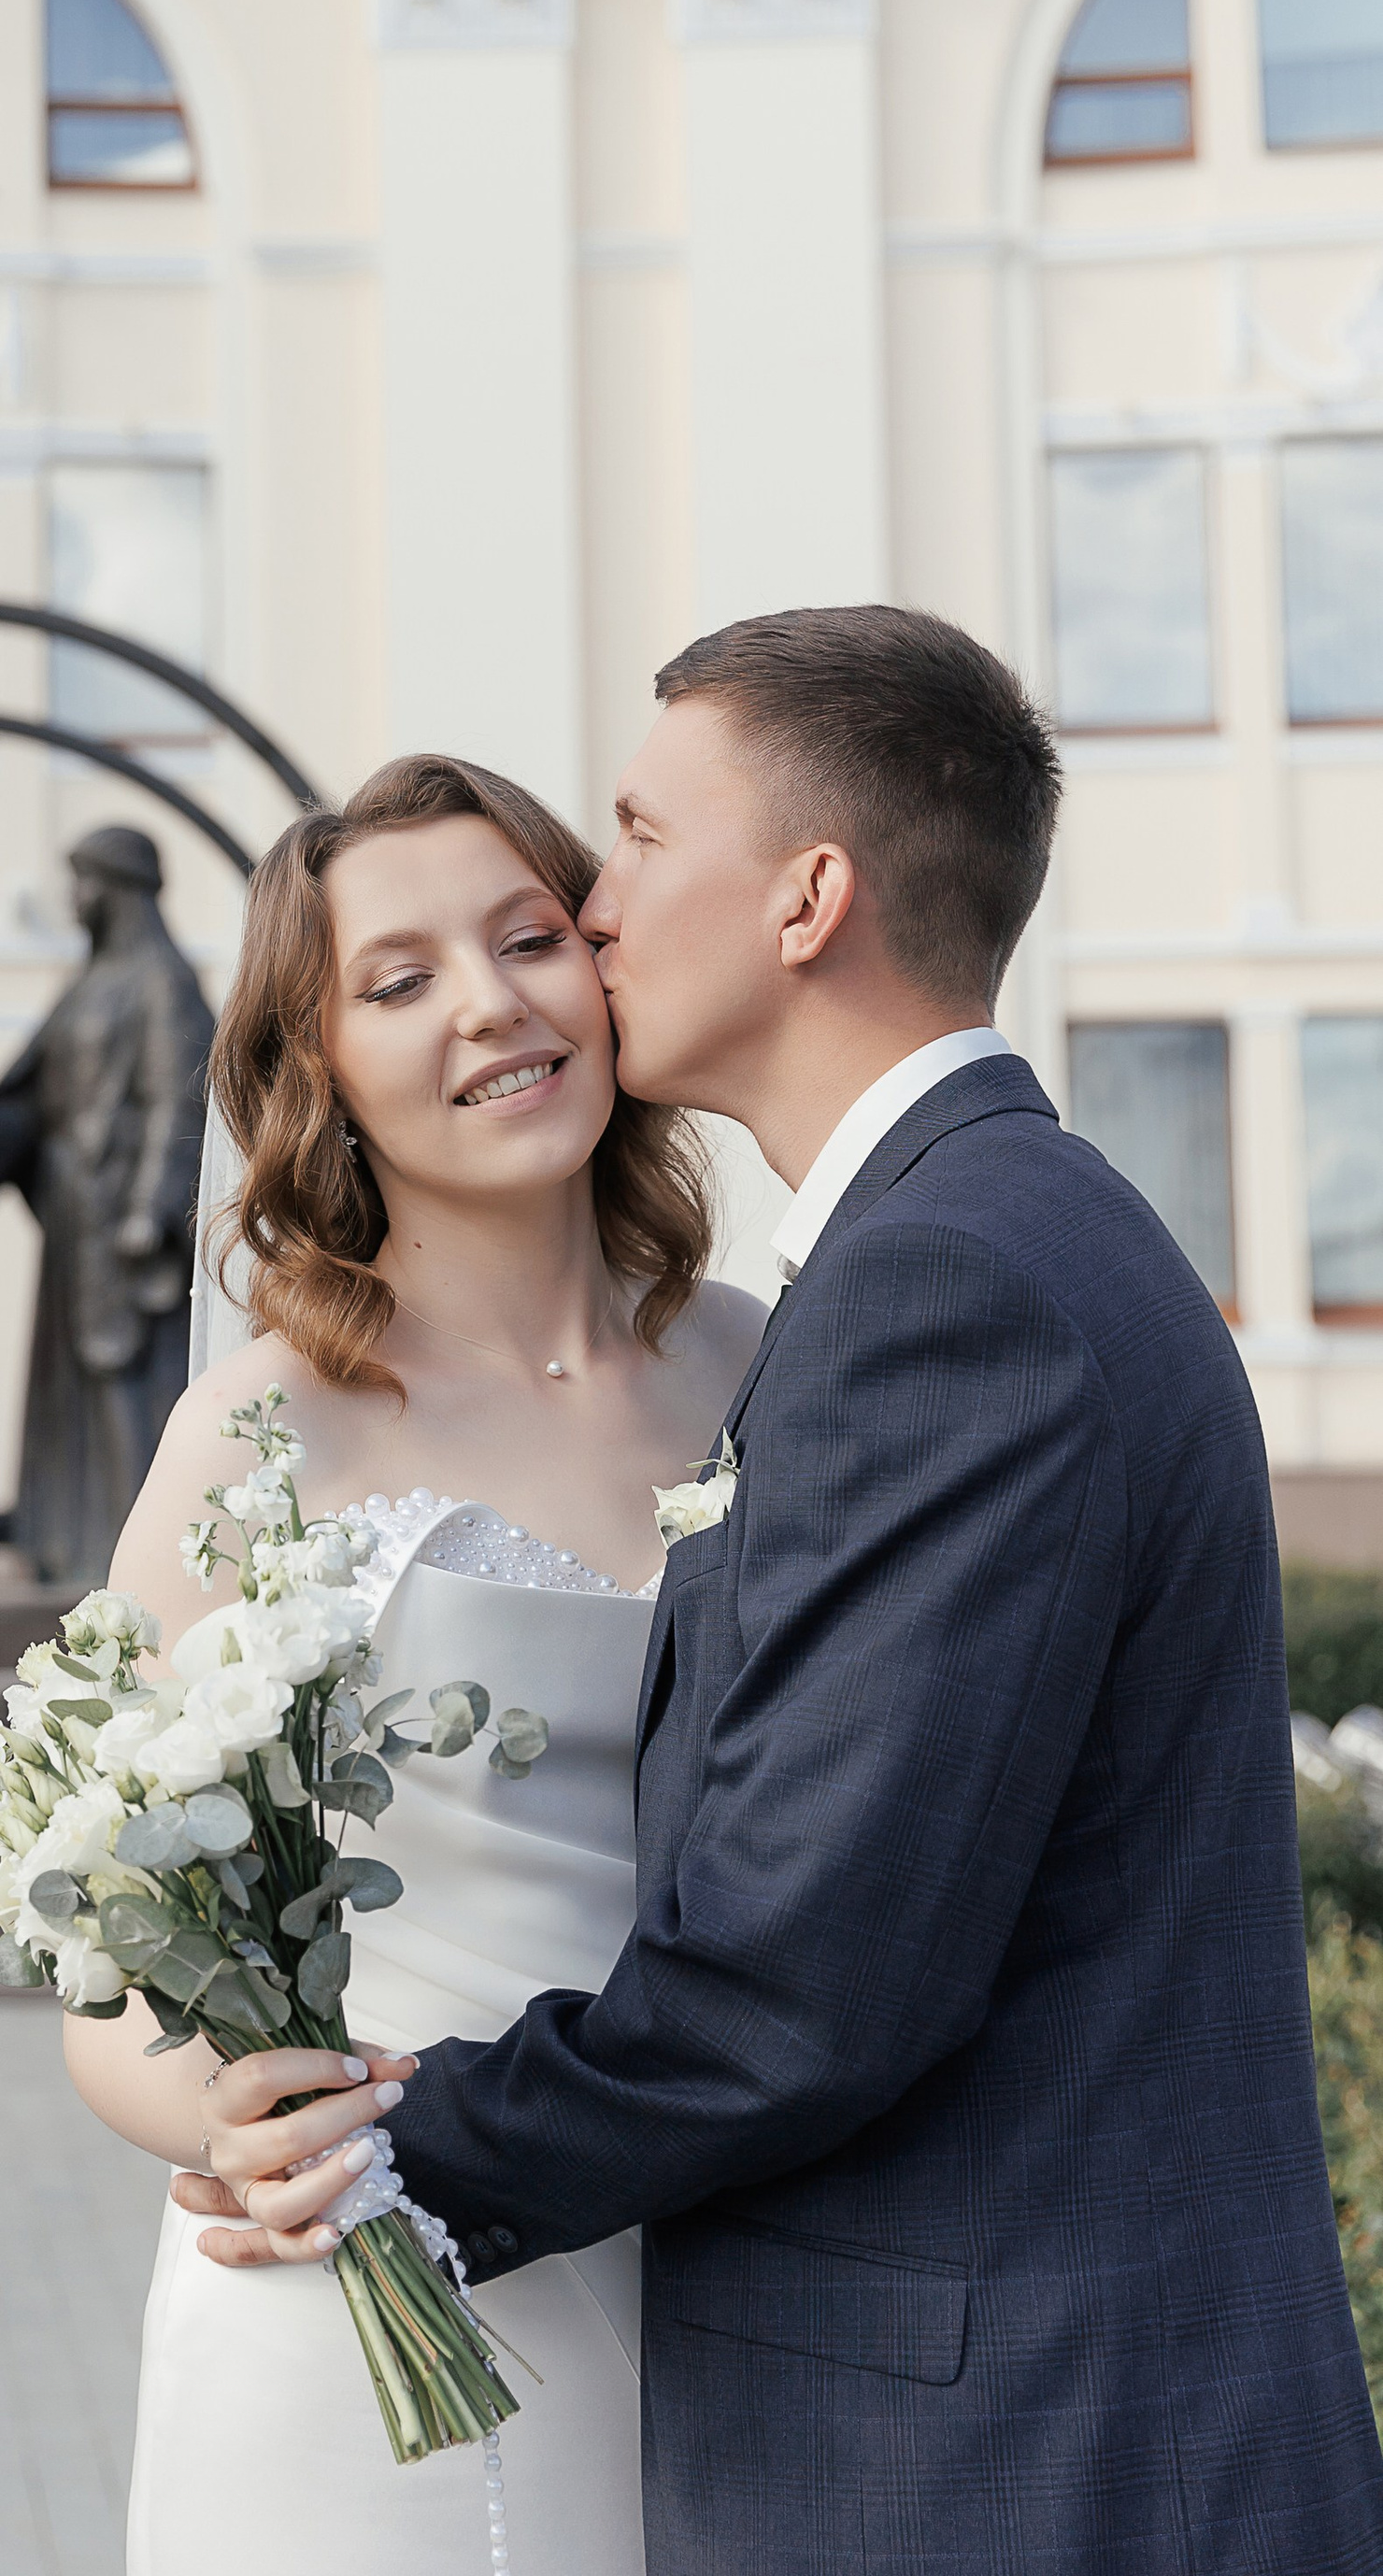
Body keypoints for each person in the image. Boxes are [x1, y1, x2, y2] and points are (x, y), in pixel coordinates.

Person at [190, 610, 1383, 2573]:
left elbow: (805, 1975)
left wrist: (384, 2144)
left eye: (644, 834)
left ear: (807, 897)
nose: (590, 895)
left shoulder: (947, 1286)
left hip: (1006, 2458)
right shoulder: (973, 1239)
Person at [65, 747, 764, 2576]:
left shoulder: (778, 1371)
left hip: (733, 2274)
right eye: (397, 981)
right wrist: (230, 2114)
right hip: (360, 2293)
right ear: (323, 1076)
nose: (488, 1006)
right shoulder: (261, 1431)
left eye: (527, 938)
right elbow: (104, 1958)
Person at [0, 823, 215, 1589]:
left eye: (83, 883)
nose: (74, 901)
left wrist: (151, 1210)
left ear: (117, 888)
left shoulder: (162, 979)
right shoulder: (92, 982)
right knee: (75, 1393)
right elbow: (33, 1095)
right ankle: (72, 1544)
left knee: (128, 1386)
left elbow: (184, 1098)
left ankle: (149, 1565)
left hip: (124, 1233)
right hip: (75, 1225)